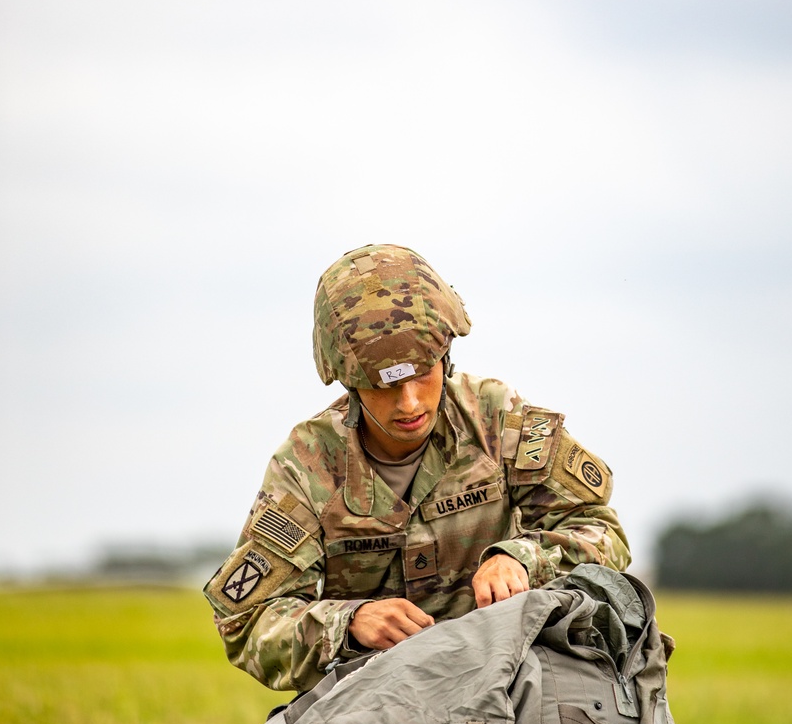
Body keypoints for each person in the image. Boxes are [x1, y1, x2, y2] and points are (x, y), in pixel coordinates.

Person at [204, 244, 631, 691]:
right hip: (375, 698)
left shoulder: (495, 418)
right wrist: (347, 624)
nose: (409, 404)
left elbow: (600, 529)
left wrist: (522, 560)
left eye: (422, 374)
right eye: (384, 385)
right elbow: (248, 620)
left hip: (505, 678)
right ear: (350, 382)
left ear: (445, 358)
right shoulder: (308, 466)